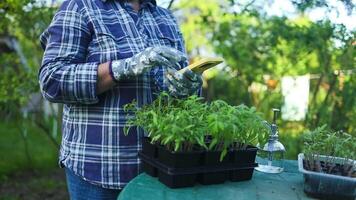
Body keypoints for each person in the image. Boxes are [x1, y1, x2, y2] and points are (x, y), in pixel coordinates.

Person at [39, 0, 202, 199]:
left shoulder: (165, 18)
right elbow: (52, 80)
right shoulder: (81, 7)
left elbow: (180, 88)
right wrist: (124, 67)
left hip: (161, 169)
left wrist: (187, 86)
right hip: (99, 171)